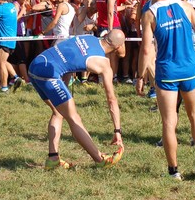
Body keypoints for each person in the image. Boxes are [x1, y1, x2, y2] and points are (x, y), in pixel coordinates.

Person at [137, 0, 195, 181]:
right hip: (190, 70)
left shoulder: (149, 14)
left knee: (169, 122)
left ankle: (174, 171)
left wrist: (140, 77)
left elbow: (145, 51)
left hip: (167, 73)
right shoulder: (186, 7)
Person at [29, 30, 126, 169]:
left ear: (105, 36)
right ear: (118, 46)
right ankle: (100, 160)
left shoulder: (88, 37)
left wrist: (64, 88)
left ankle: (53, 158)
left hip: (36, 65)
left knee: (58, 112)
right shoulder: (104, 64)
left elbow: (68, 58)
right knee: (74, 118)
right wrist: (117, 130)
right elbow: (112, 100)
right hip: (48, 73)